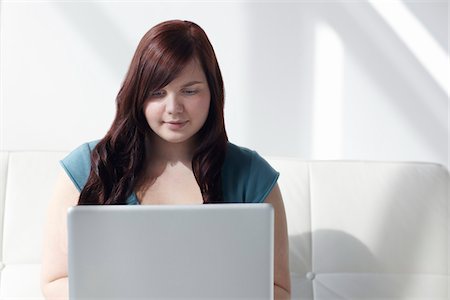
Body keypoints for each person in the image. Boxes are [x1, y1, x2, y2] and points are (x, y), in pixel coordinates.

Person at [41, 19, 291, 299]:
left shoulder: (252, 175)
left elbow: (277, 290)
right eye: (157, 92)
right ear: (137, 95)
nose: (174, 108)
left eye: (190, 90)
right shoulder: (86, 168)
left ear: (213, 92)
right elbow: (55, 283)